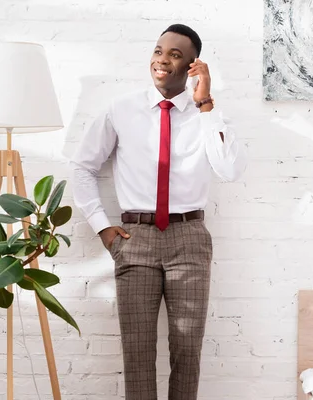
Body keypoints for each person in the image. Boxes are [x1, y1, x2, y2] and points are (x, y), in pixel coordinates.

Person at [71, 23, 247, 400]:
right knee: (136, 352)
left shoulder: (206, 115)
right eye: (158, 51)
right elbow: (83, 167)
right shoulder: (121, 109)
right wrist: (103, 228)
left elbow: (230, 169)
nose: (162, 60)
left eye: (174, 54)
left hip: (189, 239)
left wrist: (206, 103)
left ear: (193, 66)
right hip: (136, 239)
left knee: (187, 350)